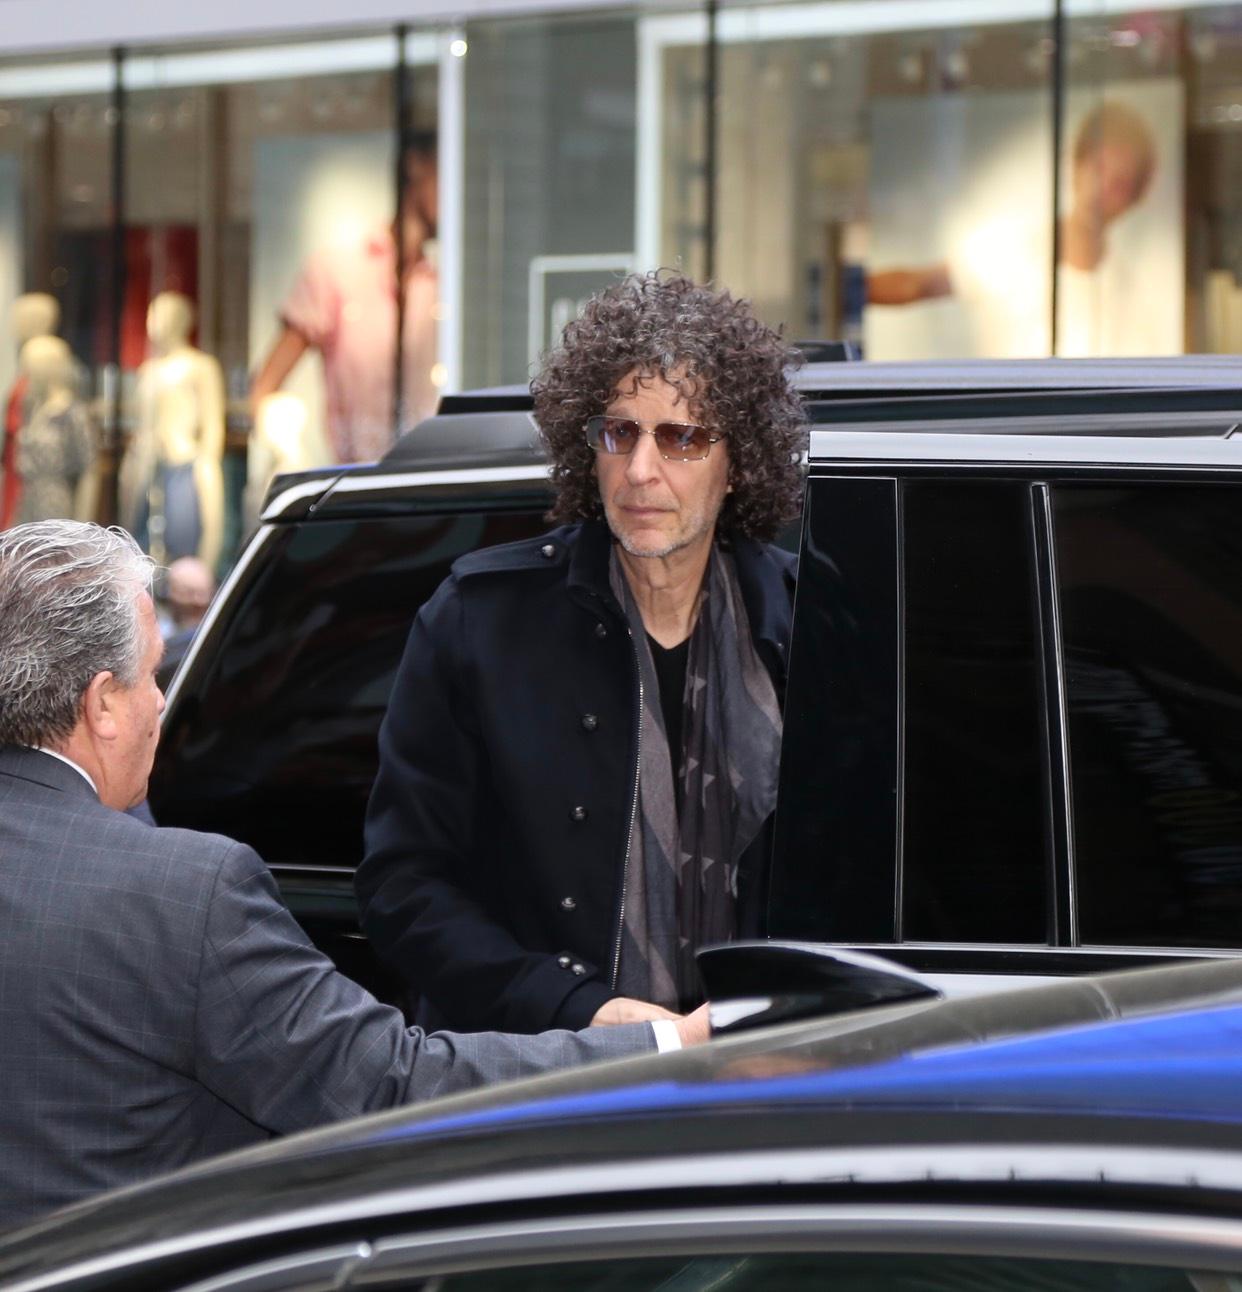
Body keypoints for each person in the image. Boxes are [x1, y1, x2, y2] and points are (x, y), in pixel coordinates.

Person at [0, 520, 707, 1228]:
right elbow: (389, 1088)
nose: (160, 700)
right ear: (100, 705)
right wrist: (670, 1046)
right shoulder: (181, 893)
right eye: (153, 672)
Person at [357, 271, 805, 1036]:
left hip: (761, 1074)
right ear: (584, 444)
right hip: (538, 1077)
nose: (640, 471)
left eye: (682, 438)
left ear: (739, 463)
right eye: (618, 432)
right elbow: (404, 887)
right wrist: (577, 1010)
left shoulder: (802, 623)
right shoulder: (480, 621)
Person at [249, 133, 440, 465]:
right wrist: (289, 453)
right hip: (358, 489)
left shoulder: (442, 286)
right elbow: (265, 386)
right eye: (445, 174)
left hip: (434, 487)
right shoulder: (335, 270)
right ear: (417, 168)